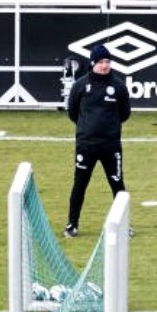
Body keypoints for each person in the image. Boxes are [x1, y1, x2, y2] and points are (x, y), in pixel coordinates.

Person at [64, 45, 131, 238]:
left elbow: (124, 113)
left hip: (111, 145)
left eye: (108, 62)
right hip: (86, 145)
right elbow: (73, 112)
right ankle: (72, 224)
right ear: (93, 63)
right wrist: (87, 128)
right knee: (80, 184)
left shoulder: (118, 86)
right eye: (101, 62)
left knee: (118, 184)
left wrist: (109, 129)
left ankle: (124, 226)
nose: (105, 66)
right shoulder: (80, 86)